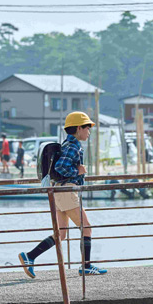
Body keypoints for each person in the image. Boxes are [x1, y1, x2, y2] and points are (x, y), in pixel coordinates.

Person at [18, 111, 107, 277]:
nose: (89, 132)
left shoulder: (66, 144)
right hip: (66, 191)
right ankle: (86, 266)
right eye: (87, 128)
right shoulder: (73, 147)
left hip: (59, 191)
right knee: (86, 228)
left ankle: (30, 256)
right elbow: (61, 167)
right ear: (79, 128)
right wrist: (78, 171)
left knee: (61, 234)